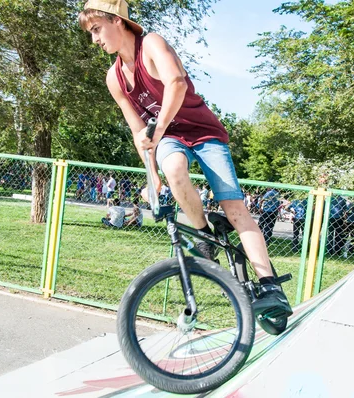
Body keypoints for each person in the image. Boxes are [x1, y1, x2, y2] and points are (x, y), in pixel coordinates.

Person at [78, 0, 292, 317]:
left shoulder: (151, 44)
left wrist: (159, 127)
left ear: (118, 21)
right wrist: (153, 180)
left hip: (205, 133)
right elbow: (140, 133)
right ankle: (204, 234)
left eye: (97, 29)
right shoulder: (115, 78)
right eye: (91, 33)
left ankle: (270, 286)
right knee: (174, 168)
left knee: (234, 207)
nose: (95, 39)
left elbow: (176, 84)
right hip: (170, 138)